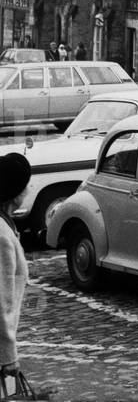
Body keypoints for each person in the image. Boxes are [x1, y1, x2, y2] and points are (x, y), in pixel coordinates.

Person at [0, 153, 31, 387]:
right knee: (10, 392)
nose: (29, 190)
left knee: (11, 394)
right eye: (26, 185)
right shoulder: (1, 236)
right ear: (14, 193)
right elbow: (2, 300)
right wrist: (8, 355)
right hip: (2, 355)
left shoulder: (6, 224)